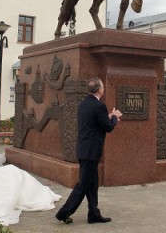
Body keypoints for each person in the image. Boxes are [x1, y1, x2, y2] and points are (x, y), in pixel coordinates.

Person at [55, 77, 122, 225]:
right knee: (83, 185)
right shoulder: (99, 106)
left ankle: (94, 214)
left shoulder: (84, 104)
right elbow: (108, 127)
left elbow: (94, 122)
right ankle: (64, 213)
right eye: (103, 87)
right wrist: (115, 118)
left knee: (92, 184)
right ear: (99, 90)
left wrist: (108, 117)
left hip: (84, 149)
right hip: (91, 152)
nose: (103, 89)